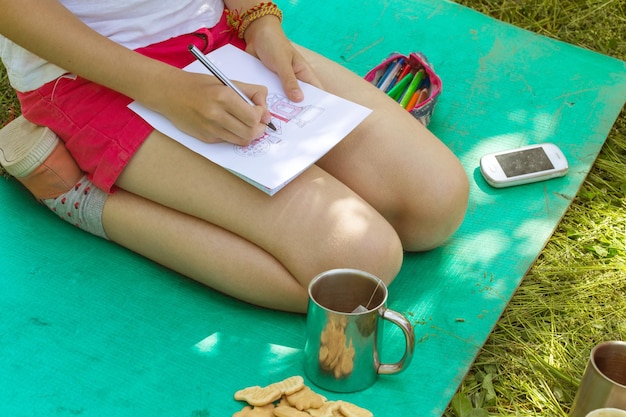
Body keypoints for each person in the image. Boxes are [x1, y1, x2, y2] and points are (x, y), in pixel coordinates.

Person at [0, 0, 469, 313]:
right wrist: (166, 91)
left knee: (435, 203)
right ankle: (78, 195)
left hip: (210, 37)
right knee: (356, 268)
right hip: (89, 75)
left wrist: (258, 18)